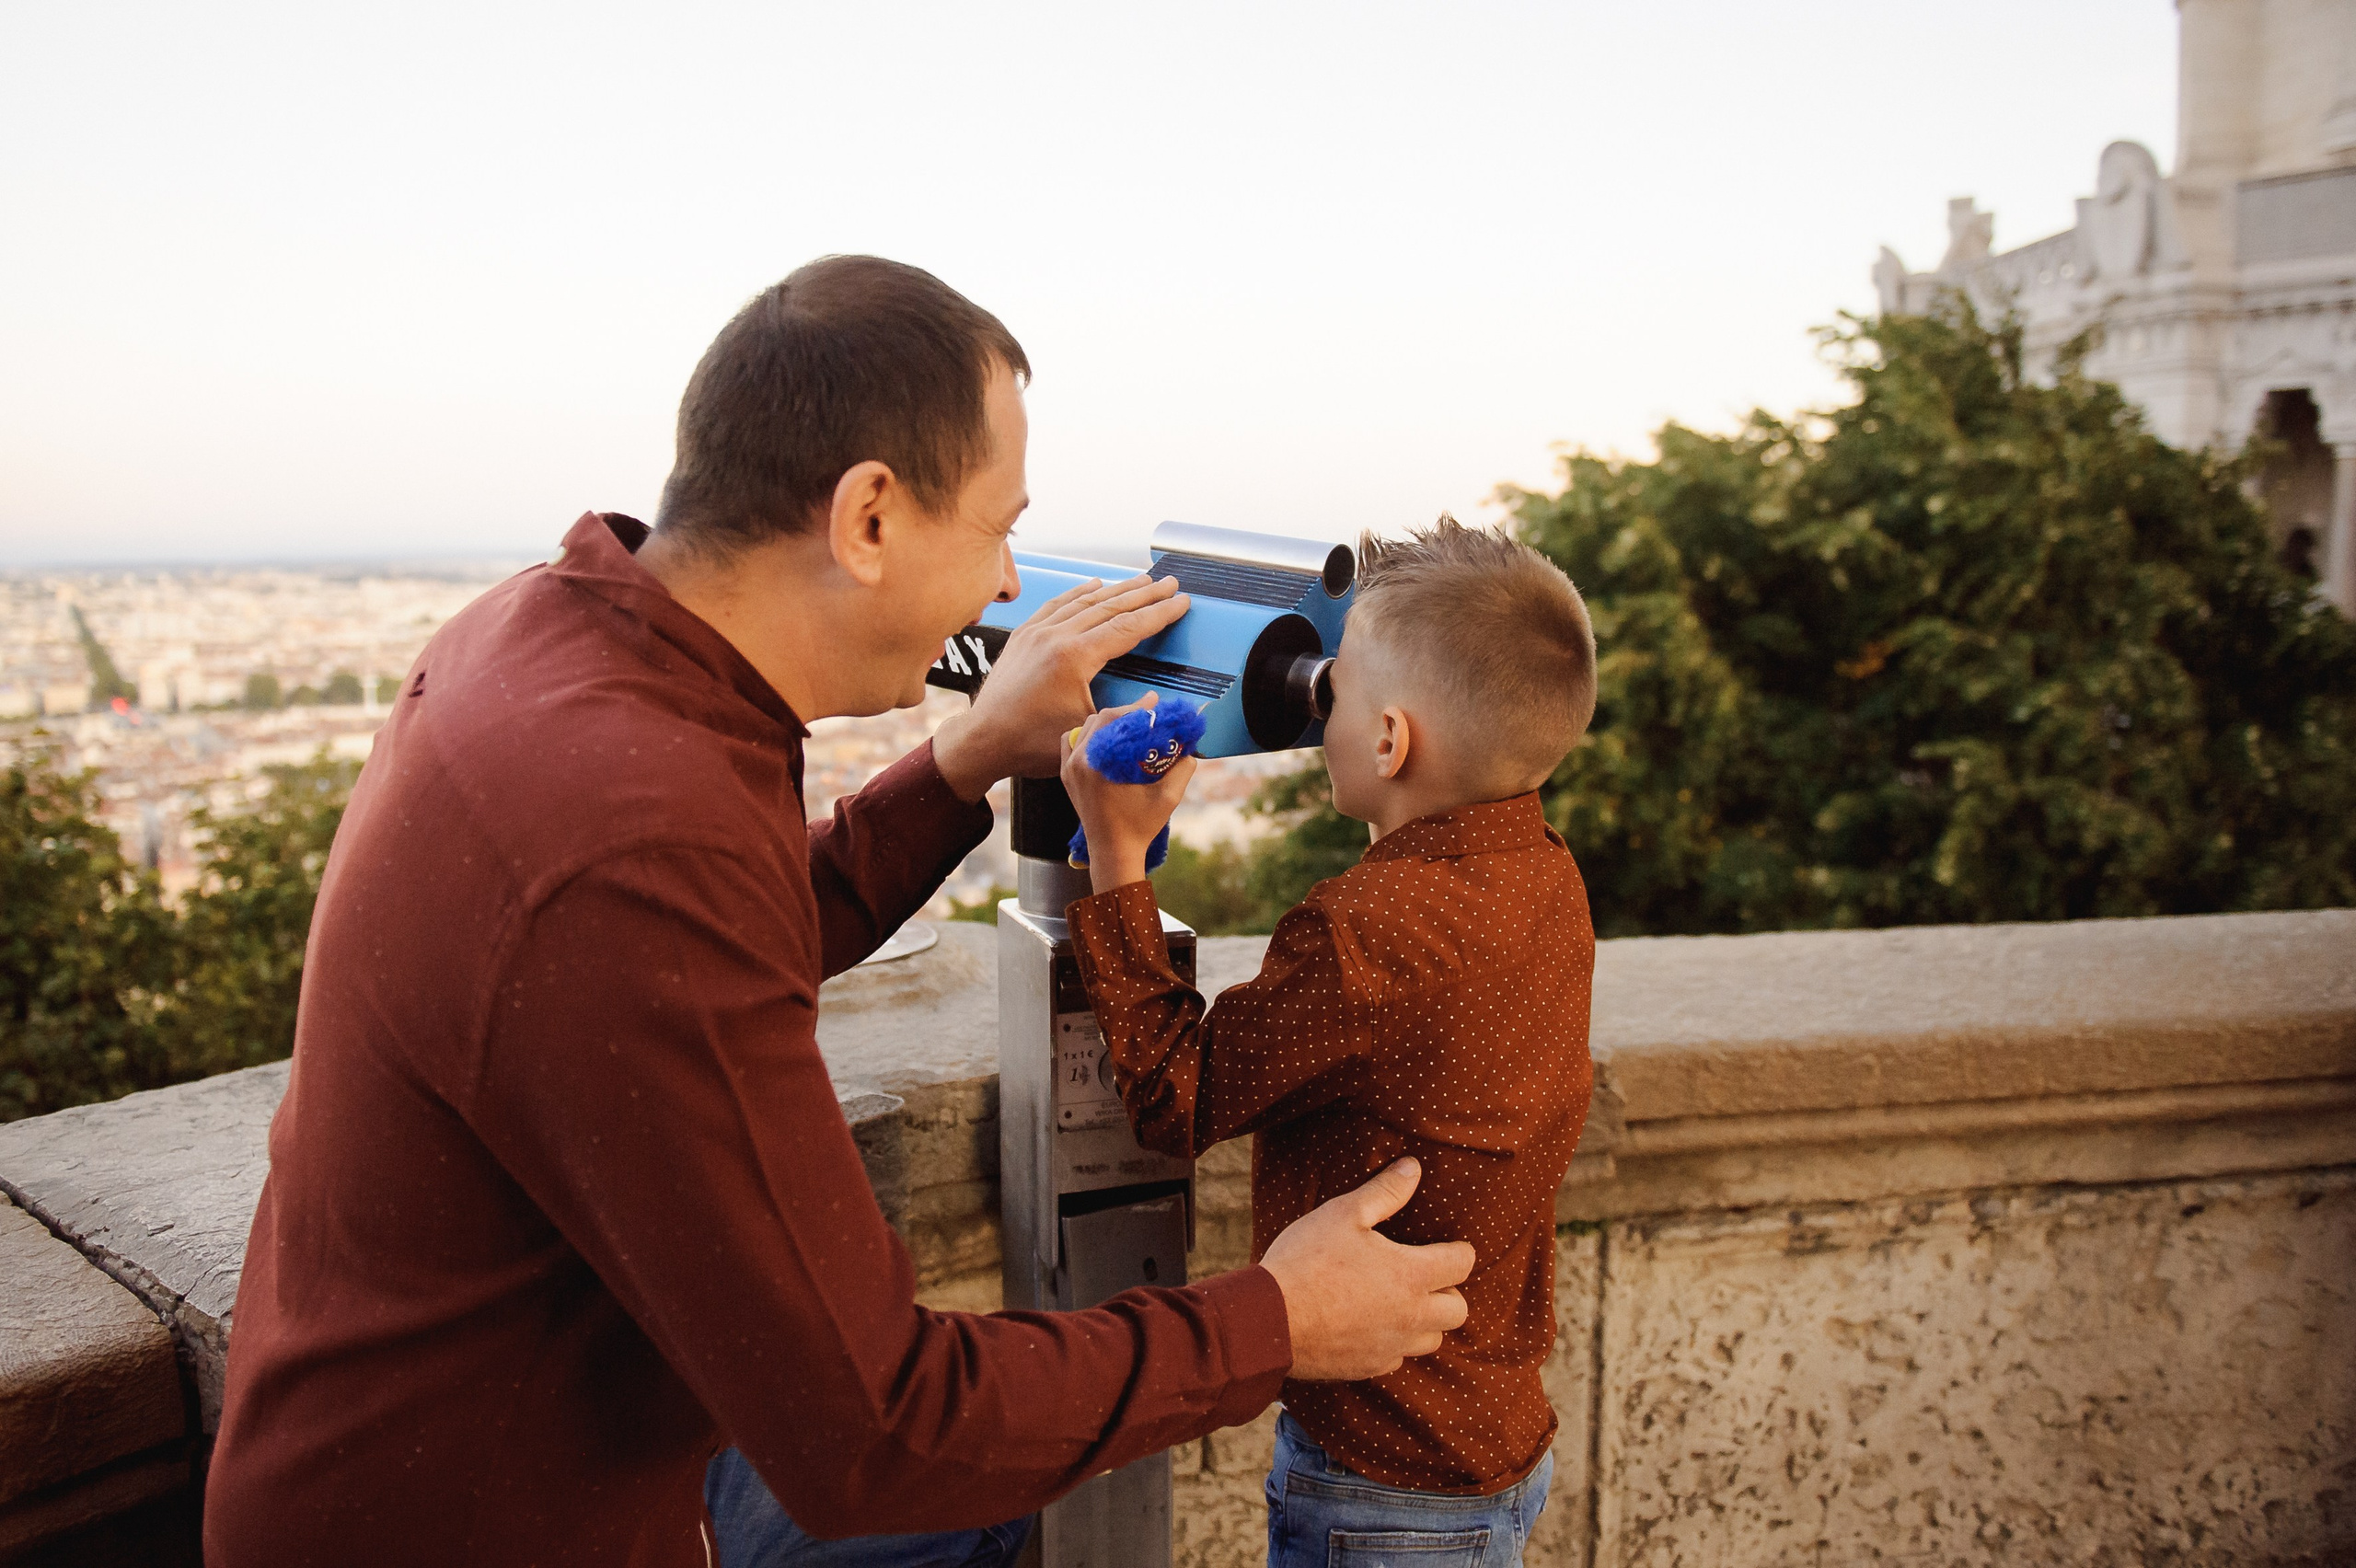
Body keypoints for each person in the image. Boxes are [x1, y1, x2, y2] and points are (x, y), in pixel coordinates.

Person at [202, 257, 1477, 1568]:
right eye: (996, 531)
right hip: (498, 1518)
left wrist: (966, 761)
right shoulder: (633, 832)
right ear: (868, 517)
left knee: (982, 1515)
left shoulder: (561, 645)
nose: (999, 591)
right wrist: (1279, 1320)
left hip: (502, 1437)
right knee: (960, 1492)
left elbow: (707, 944)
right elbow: (879, 1432)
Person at [1059, 515, 1600, 1568]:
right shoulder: (1543, 872)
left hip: (1380, 1476)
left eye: (1335, 690)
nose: (1320, 713)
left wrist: (1118, 863)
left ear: (1391, 740)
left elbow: (1176, 1100)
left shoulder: (1366, 935)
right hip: (1491, 1441)